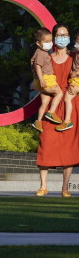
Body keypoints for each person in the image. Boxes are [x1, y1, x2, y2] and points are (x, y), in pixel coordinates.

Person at [36, 23, 79, 197]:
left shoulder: (75, 56)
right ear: (53, 38)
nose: (63, 38)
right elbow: (37, 79)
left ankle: (65, 188)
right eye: (60, 35)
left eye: (66, 34)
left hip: (70, 104)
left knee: (69, 147)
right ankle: (43, 186)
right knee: (45, 142)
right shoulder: (47, 57)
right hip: (51, 105)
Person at [30, 28, 63, 132]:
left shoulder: (39, 52)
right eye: (46, 42)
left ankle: (38, 121)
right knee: (59, 93)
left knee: (45, 102)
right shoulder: (41, 53)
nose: (50, 44)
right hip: (46, 78)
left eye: (50, 41)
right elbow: (38, 66)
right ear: (38, 43)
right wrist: (42, 80)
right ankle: (51, 112)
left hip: (41, 80)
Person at [58, 33, 79, 131]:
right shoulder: (76, 53)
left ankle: (67, 121)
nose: (76, 44)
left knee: (67, 98)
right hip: (74, 80)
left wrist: (76, 73)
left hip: (77, 81)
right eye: (76, 41)